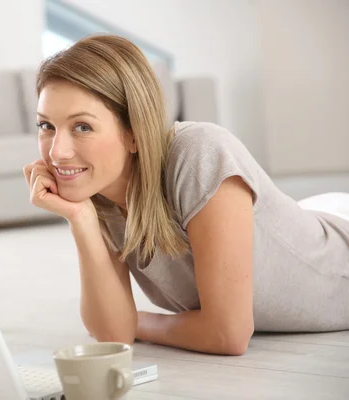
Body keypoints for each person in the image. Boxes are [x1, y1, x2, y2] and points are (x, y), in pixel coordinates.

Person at [23, 34, 349, 356]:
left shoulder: (200, 153)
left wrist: (141, 322)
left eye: (82, 127)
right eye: (45, 126)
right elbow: (112, 335)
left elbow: (227, 335)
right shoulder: (98, 192)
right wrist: (80, 219)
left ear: (134, 133)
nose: (57, 152)